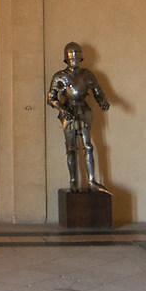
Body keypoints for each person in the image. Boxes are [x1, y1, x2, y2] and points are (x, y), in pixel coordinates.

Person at [47, 42, 108, 191]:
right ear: (66, 59)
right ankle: (73, 181)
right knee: (71, 148)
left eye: (76, 58)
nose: (74, 61)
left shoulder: (87, 74)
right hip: (68, 111)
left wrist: (103, 102)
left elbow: (97, 90)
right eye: (71, 58)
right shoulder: (60, 76)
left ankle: (91, 181)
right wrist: (62, 109)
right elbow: (51, 98)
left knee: (88, 146)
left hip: (83, 110)